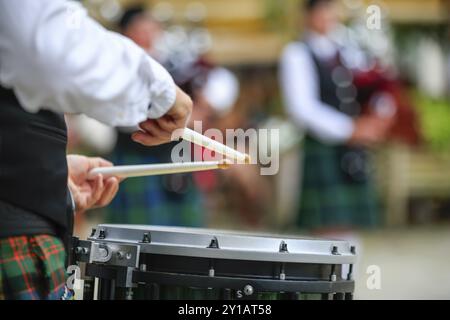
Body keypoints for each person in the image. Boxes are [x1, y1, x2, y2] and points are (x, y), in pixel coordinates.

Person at [0, 0, 192, 300]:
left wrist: (54, 178)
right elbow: (45, 45)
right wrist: (159, 91)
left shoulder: (173, 61)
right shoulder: (138, 64)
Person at [279, 0, 392, 233]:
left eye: (331, 8)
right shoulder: (296, 54)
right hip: (323, 147)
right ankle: (330, 271)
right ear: (308, 14)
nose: (328, 15)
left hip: (353, 152)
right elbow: (301, 108)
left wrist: (380, 116)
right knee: (327, 230)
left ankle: (352, 270)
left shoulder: (349, 49)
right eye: (321, 9)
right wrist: (349, 130)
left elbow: (377, 84)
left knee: (352, 229)